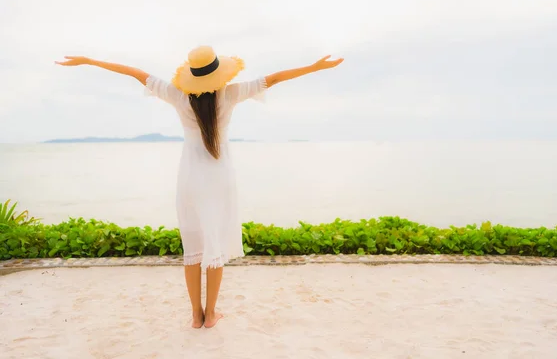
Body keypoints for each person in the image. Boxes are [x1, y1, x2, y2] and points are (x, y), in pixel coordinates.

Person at [55, 46, 343, 328]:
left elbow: (135, 73)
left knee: (193, 246)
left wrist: (89, 60)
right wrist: (315, 67)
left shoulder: (178, 96)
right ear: (218, 72)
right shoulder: (230, 94)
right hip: (220, 177)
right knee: (214, 242)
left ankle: (195, 315)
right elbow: (274, 78)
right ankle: (211, 314)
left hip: (190, 178)